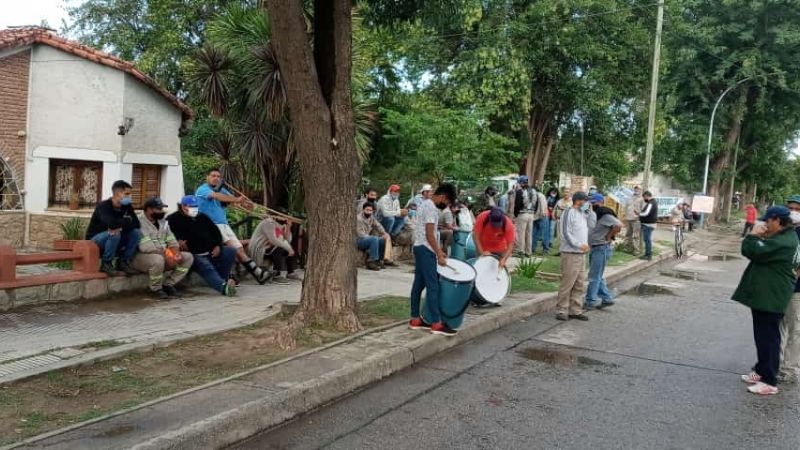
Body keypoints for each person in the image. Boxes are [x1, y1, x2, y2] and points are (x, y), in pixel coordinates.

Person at [734, 206, 800, 395]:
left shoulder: (784, 242)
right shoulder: (786, 237)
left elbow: (751, 250)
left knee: (769, 339)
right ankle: (761, 370)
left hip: (771, 297)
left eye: (767, 221)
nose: (764, 224)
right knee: (763, 337)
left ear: (777, 220)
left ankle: (769, 381)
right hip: (768, 295)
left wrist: (753, 235)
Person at [196, 169, 269, 284]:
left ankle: (257, 275)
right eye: (213, 176)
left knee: (239, 249)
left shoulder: (222, 190)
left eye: (218, 176)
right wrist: (237, 199)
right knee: (233, 248)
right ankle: (256, 273)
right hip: (211, 225)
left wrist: (247, 204)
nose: (216, 178)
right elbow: (217, 196)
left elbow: (237, 202)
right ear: (207, 177)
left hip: (224, 224)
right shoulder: (202, 189)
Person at [408, 183, 459, 336]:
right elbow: (430, 234)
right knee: (433, 285)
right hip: (425, 249)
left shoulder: (426, 205)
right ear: (443, 197)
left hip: (420, 247)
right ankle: (436, 323)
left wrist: (438, 251)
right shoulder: (430, 207)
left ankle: (415, 319)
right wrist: (439, 253)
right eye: (448, 202)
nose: (447, 205)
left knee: (419, 284)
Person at [167, 195, 237, 297]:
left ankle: (223, 280)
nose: (193, 209)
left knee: (230, 251)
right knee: (206, 266)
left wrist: (217, 246)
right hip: (193, 255)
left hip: (210, 251)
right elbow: (167, 236)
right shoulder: (173, 219)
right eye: (191, 206)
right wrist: (178, 243)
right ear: (183, 206)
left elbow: (216, 232)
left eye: (195, 206)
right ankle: (223, 288)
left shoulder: (202, 217)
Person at [132, 197, 193, 300]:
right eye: (159, 209)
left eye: (162, 208)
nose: (162, 211)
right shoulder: (138, 222)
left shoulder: (163, 222)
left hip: (163, 253)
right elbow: (147, 247)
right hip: (142, 256)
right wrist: (167, 257)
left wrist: (176, 254)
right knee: (158, 260)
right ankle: (155, 289)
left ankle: (168, 284)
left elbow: (171, 240)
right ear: (149, 210)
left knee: (188, 257)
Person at [86, 180, 141, 276]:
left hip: (116, 236)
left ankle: (123, 262)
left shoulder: (126, 206)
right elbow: (111, 224)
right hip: (96, 239)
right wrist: (127, 220)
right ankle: (106, 264)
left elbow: (137, 224)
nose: (129, 197)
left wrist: (120, 225)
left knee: (136, 232)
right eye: (127, 194)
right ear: (117, 193)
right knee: (114, 233)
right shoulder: (104, 206)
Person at [556, 191, 595, 321]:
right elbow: (565, 233)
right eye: (585, 201)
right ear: (579, 201)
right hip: (571, 253)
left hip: (581, 254)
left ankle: (575, 310)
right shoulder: (568, 213)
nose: (587, 203)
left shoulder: (583, 214)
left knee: (579, 284)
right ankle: (562, 310)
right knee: (567, 283)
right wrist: (578, 245)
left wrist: (590, 212)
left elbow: (591, 226)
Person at [585, 194, 622, 310]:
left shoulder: (605, 214)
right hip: (595, 247)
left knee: (594, 276)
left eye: (593, 202)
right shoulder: (594, 214)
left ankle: (590, 301)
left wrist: (609, 236)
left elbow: (619, 225)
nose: (591, 205)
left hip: (601, 248)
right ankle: (607, 298)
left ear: (600, 202)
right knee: (597, 275)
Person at [780, 195, 800, 383]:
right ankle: (773, 366)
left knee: (795, 330)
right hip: (779, 286)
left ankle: (790, 370)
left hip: (797, 290)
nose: (793, 212)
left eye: (797, 209)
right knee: (777, 327)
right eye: (791, 208)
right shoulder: (784, 229)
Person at [249, 214, 301, 284]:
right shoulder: (267, 223)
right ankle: (277, 275)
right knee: (280, 247)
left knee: (287, 246)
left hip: (269, 247)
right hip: (259, 249)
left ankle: (290, 272)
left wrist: (288, 226)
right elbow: (273, 241)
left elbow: (288, 240)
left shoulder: (278, 226)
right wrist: (287, 247)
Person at [513, 176, 542, 257]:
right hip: (531, 214)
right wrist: (533, 212)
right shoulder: (534, 191)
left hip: (522, 214)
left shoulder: (520, 191)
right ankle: (528, 252)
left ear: (521, 183)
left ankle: (520, 251)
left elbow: (517, 204)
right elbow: (536, 204)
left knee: (521, 233)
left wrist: (516, 214)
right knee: (529, 233)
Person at [357, 202, 391, 271]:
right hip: (359, 240)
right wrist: (372, 238)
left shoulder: (371, 217)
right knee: (374, 238)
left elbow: (378, 225)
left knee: (382, 239)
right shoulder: (358, 219)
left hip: (366, 239)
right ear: (363, 210)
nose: (369, 212)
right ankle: (371, 262)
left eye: (370, 210)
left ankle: (378, 260)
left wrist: (384, 233)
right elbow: (360, 234)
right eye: (367, 210)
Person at [623, 186, 644, 252]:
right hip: (628, 219)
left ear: (641, 190)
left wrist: (639, 216)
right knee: (628, 234)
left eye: (638, 189)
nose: (636, 190)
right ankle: (626, 248)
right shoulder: (629, 198)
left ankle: (636, 250)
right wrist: (625, 216)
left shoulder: (642, 199)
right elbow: (626, 208)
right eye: (635, 188)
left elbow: (644, 210)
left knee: (636, 236)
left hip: (637, 220)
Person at [639, 191, 658, 261]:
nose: (644, 199)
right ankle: (648, 254)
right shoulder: (653, 202)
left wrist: (639, 214)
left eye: (644, 197)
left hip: (649, 224)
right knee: (647, 240)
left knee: (647, 240)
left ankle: (648, 255)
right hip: (649, 224)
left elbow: (646, 213)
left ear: (647, 196)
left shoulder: (651, 203)